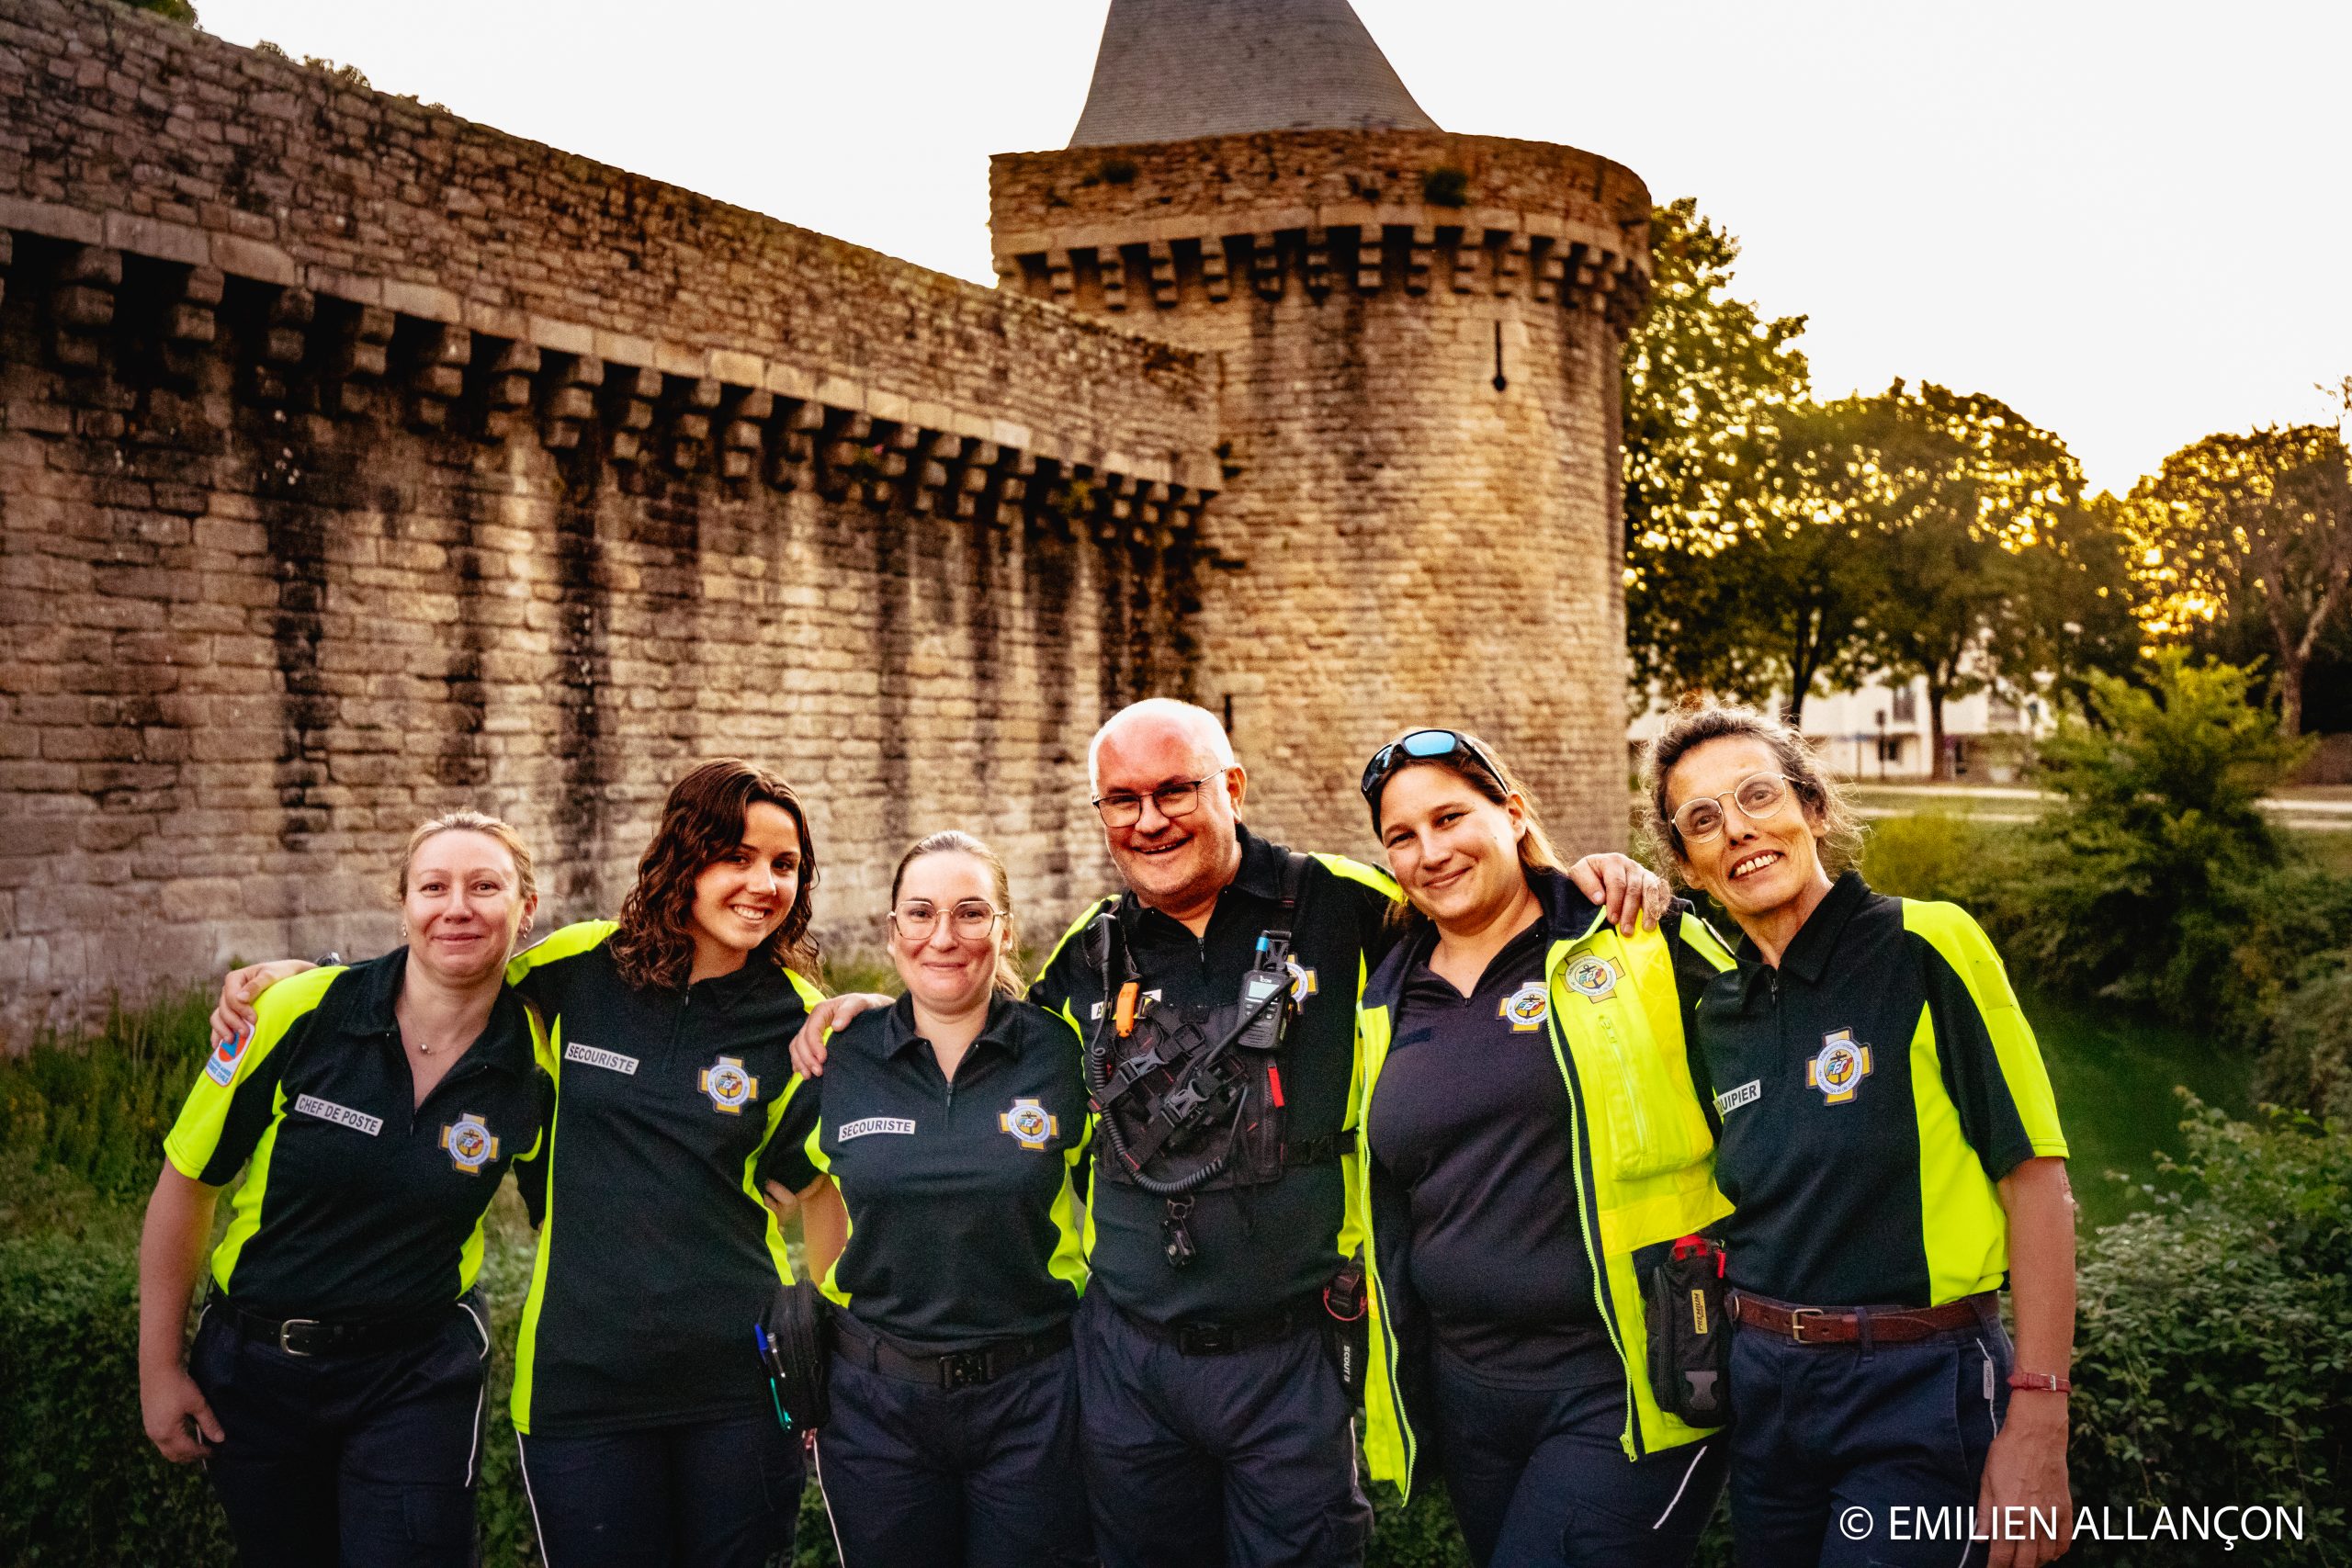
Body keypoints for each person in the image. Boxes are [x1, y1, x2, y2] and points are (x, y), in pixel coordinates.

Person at [794, 698, 1668, 1568]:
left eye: (1175, 790)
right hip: (1128, 1362)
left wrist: (1589, 881)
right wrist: (880, 1018)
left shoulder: (1349, 907)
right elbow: (991, 1037)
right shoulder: (1088, 953)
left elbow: (1484, 909)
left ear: (1234, 788)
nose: (1149, 820)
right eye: (1122, 801)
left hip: (1292, 1353)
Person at [209, 759, 833, 1568]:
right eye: (737, 856)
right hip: (581, 1389)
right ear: (686, 855)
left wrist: (829, 1353)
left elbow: (818, 1185)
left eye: (784, 865)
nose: (763, 883)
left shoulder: (803, 1018)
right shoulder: (581, 966)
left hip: (740, 1392)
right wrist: (312, 974)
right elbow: (445, 970)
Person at [1645, 703, 2075, 1568]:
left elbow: (2037, 1185)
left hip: (1916, 1384)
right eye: (1703, 819)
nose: (1738, 830)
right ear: (1687, 866)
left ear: (1813, 808)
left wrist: (2039, 1414)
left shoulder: (1926, 942)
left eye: (1758, 795)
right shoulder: (1715, 1007)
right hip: (1764, 1390)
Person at [1353, 729, 1736, 1568]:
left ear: (1513, 811)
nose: (1432, 851)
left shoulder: (1630, 936)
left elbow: (1780, 1050)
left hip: (1629, 1377)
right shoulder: (1381, 994)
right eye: (1402, 837)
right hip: (1468, 1395)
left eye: (1451, 816)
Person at [140, 810, 550, 1567]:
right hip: (257, 1369)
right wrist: (158, 1368)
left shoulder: (539, 1061)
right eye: (434, 886)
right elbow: (188, 1179)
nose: (456, 905)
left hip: (418, 1373)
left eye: (484, 885)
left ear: (525, 909)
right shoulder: (293, 1011)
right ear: (404, 906)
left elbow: (578, 1209)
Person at [766, 830, 1094, 1568]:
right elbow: (796, 1191)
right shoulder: (838, 1056)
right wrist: (817, 1331)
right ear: (892, 932)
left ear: (1005, 930)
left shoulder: (1062, 1053)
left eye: (971, 913)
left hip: (1035, 1400)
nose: (943, 936)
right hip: (878, 1410)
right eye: (920, 913)